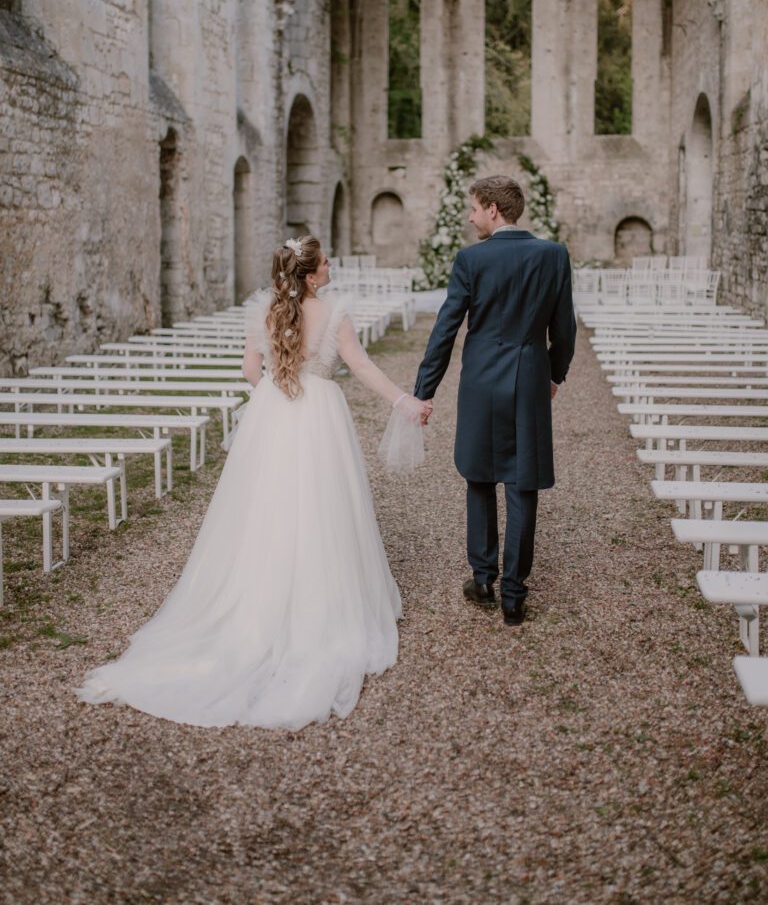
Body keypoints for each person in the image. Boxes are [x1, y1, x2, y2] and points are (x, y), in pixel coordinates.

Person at [76, 236, 429, 729]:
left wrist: (276, 399)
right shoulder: (334, 313)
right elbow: (362, 366)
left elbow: (250, 369)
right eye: (325, 261)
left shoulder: (265, 311)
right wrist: (403, 401)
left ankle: (259, 597)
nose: (331, 265)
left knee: (266, 505)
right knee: (321, 506)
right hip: (320, 415)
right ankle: (318, 604)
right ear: (311, 274)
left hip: (274, 411)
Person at [413, 175, 577, 626]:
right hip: (529, 377)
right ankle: (514, 594)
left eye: (473, 208)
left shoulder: (471, 259)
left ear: (492, 209)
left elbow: (446, 329)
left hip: (481, 381)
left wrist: (424, 389)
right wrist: (554, 373)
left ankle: (483, 578)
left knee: (481, 476)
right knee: (523, 482)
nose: (470, 218)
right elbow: (564, 328)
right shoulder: (553, 255)